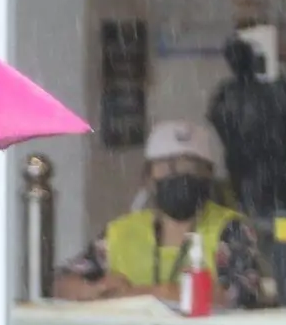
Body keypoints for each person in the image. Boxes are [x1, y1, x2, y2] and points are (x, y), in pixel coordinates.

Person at [51, 120, 267, 309]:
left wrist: (140, 294)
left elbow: (243, 294)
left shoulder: (231, 229)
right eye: (168, 167)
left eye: (192, 167)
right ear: (148, 177)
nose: (181, 175)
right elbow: (61, 284)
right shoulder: (120, 232)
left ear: (209, 175)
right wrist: (96, 289)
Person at [206, 33, 286, 217]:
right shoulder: (278, 90)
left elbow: (221, 126)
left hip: (248, 177)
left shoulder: (225, 95)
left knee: (262, 227)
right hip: (281, 175)